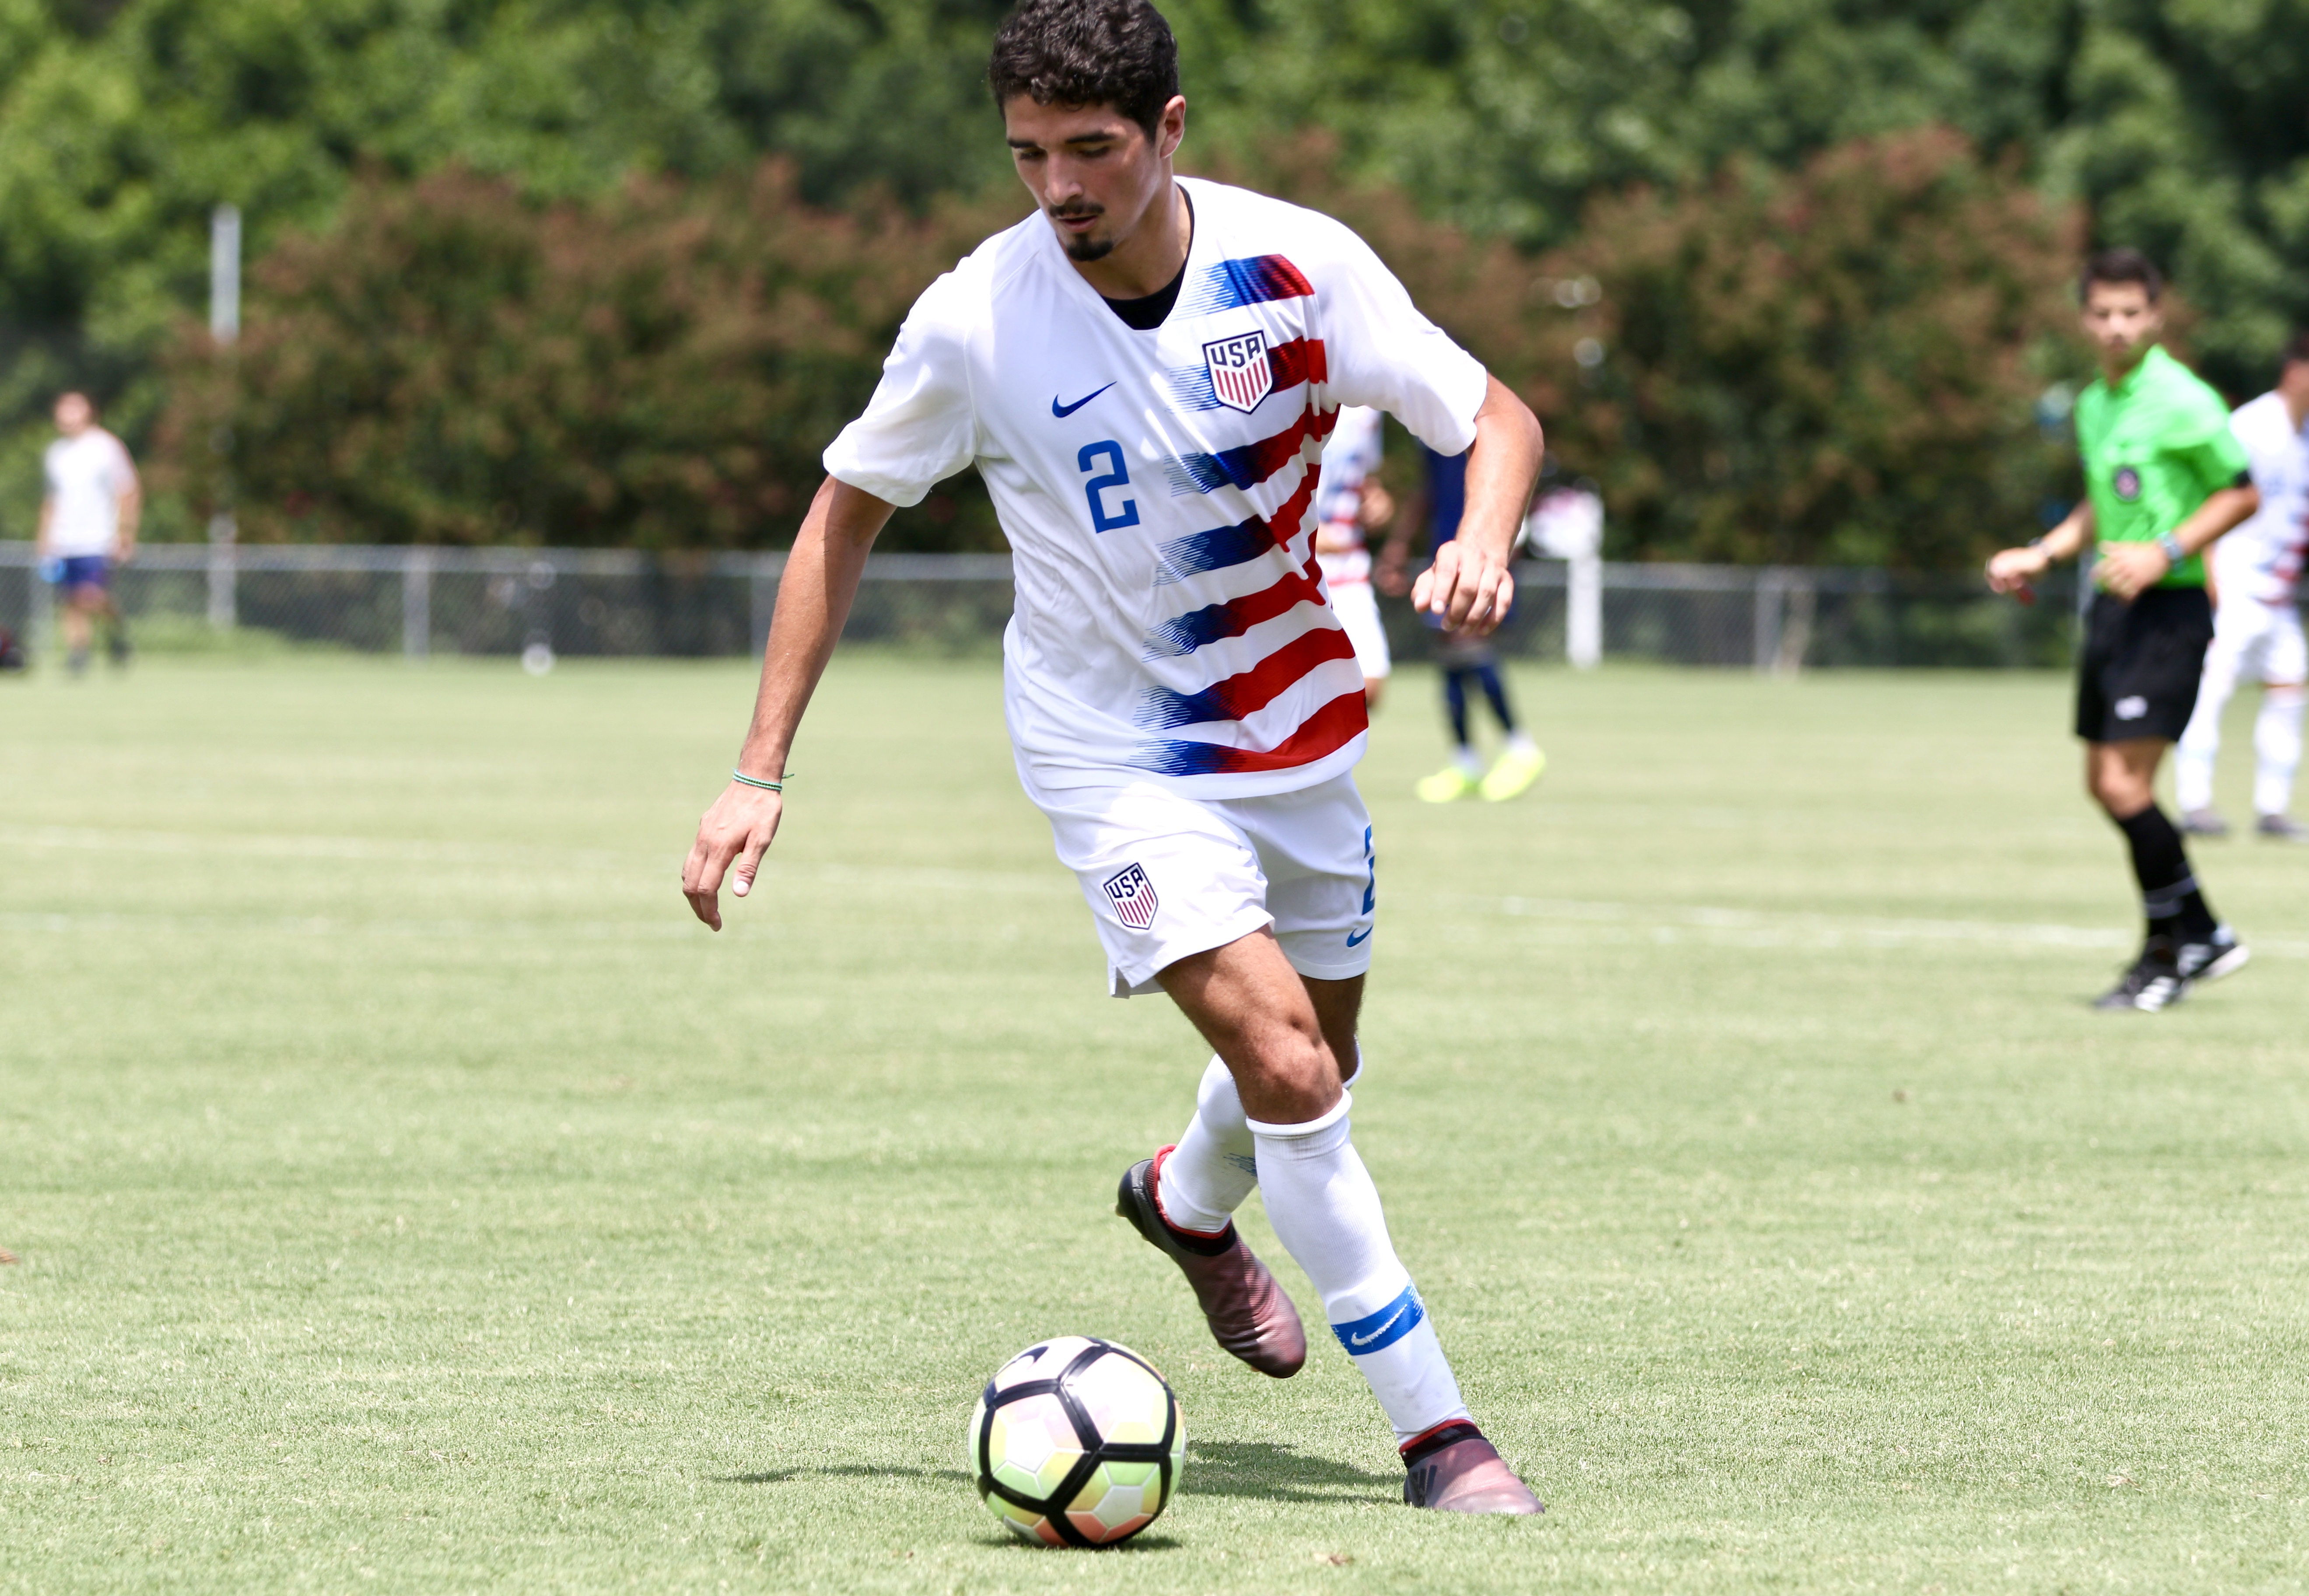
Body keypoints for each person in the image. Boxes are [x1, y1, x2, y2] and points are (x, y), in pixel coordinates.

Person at [682, 0, 1545, 1514]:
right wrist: (759, 767)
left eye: (1090, 150)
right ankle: (1440, 1435)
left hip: (1290, 724)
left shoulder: (1297, 265)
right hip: (1113, 752)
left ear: (1168, 130)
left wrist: (1479, 532)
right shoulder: (976, 318)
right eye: (1026, 154)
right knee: (1280, 1056)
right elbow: (844, 508)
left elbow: (1491, 413)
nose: (1058, 186)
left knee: (1314, 1062)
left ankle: (1182, 1197)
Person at [1987, 249, 2261, 1011]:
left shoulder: (2185, 400)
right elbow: (2099, 504)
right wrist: (2041, 553)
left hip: (2169, 611)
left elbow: (2241, 495)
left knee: (2122, 783)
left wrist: (2165, 550)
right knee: (2102, 784)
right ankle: (2181, 940)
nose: (2115, 327)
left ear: (2155, 316)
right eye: (2102, 314)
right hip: (2112, 610)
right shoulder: (2092, 404)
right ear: (2083, 318)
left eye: (2130, 313)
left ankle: (2188, 939)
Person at [2173, 332, 2309, 842]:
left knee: (2289, 694)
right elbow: (2210, 495)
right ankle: (2195, 803)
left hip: (2280, 597)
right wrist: (2209, 572)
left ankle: (2272, 810)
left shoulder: (2305, 436)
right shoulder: (2251, 426)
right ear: (2295, 372)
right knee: (2210, 694)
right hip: (2235, 587)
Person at [1376, 444, 1545, 802]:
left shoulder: (1482, 418)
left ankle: (1521, 749)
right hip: (1446, 551)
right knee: (1448, 656)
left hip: (1481, 553)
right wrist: (1400, 544)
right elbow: (1427, 490)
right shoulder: (1431, 431)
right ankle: (1466, 761)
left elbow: (1513, 474)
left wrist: (1502, 554)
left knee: (1470, 647)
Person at [36, 392, 139, 676]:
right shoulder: (56, 453)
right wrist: (44, 537)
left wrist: (126, 533)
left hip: (98, 538)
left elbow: (127, 490)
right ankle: (78, 655)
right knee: (70, 600)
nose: (65, 414)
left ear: (88, 412)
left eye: (73, 408)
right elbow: (51, 500)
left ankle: (117, 632)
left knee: (91, 595)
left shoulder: (106, 447)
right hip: (64, 539)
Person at [1313, 404, 1394, 710]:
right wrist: (1303, 533)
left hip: (1348, 567)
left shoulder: (1370, 405)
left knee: (1368, 687)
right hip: (1289, 566)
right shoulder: (1287, 385)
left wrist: (1377, 499)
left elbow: (1361, 475)